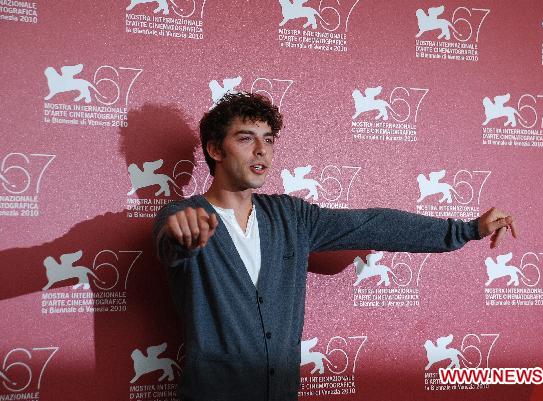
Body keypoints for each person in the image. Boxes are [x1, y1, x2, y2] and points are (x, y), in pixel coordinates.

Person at [153, 92, 517, 401]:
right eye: (246, 138)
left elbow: (376, 224)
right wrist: (181, 236)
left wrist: (467, 229)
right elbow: (172, 244)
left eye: (269, 139)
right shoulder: (183, 216)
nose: (262, 150)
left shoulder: (291, 216)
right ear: (216, 148)